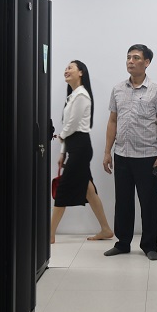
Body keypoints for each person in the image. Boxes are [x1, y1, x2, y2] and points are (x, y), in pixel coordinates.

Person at [103, 44, 157, 260]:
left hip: (147, 156)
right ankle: (122, 243)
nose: (130, 61)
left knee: (148, 203)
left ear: (147, 62)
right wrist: (107, 151)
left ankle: (149, 246)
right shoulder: (117, 89)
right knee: (122, 202)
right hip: (122, 154)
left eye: (136, 58)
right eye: (128, 57)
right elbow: (112, 121)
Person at [50, 61, 115, 244]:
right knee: (88, 190)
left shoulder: (81, 95)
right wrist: (63, 152)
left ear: (81, 72)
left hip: (80, 146)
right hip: (75, 146)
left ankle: (49, 234)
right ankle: (106, 229)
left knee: (63, 189)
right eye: (65, 68)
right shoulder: (73, 96)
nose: (66, 70)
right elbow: (69, 125)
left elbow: (72, 124)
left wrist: (61, 136)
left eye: (70, 67)